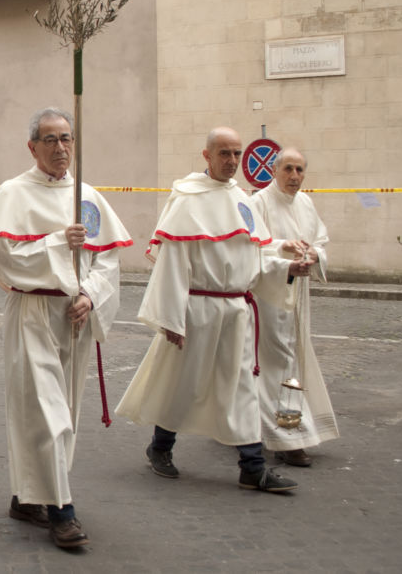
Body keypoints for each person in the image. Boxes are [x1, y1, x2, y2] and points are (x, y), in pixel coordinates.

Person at [0, 107, 132, 549]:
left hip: (74, 318)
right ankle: (62, 510)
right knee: (45, 412)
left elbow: (109, 260)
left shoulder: (89, 196)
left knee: (67, 413)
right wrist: (60, 241)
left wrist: (91, 294)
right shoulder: (12, 193)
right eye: (50, 140)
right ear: (32, 147)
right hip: (33, 314)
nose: (61, 148)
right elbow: (7, 259)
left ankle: (27, 496)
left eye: (67, 138)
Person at [116, 127, 312, 493]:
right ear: (206, 155)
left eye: (237, 154)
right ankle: (160, 447)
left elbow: (254, 254)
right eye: (225, 153)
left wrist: (287, 267)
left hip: (237, 310)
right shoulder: (187, 198)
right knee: (184, 383)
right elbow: (172, 261)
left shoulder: (242, 199)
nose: (232, 161)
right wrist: (171, 317)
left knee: (241, 387)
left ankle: (252, 466)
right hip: (198, 308)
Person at [249, 148, 337, 466]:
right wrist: (281, 250)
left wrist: (314, 256)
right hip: (270, 297)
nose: (295, 176)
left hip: (298, 298)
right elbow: (250, 247)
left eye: (300, 170)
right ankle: (288, 437)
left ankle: (253, 429)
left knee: (290, 362)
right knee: (279, 365)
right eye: (288, 169)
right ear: (274, 170)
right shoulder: (259, 202)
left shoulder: (306, 203)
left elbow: (321, 241)